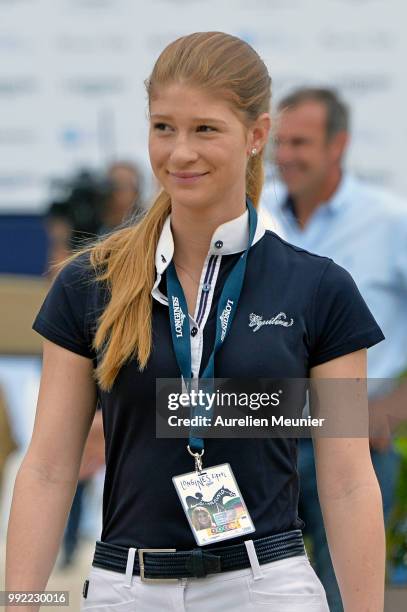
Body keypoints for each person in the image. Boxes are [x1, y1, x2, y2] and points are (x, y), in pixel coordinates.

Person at [5, 32, 386, 612]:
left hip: (267, 589)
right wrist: (23, 603)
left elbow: (348, 480)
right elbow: (50, 469)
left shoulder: (319, 289)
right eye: (164, 127)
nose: (180, 153)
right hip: (124, 589)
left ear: (256, 135)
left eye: (205, 129)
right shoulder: (90, 285)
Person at [261, 87, 407, 611]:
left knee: (348, 595)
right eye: (281, 143)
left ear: (338, 144)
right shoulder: (253, 218)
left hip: (357, 440)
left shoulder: (391, 221)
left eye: (301, 143)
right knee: (243, 588)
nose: (285, 156)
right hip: (258, 430)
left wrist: (392, 408)